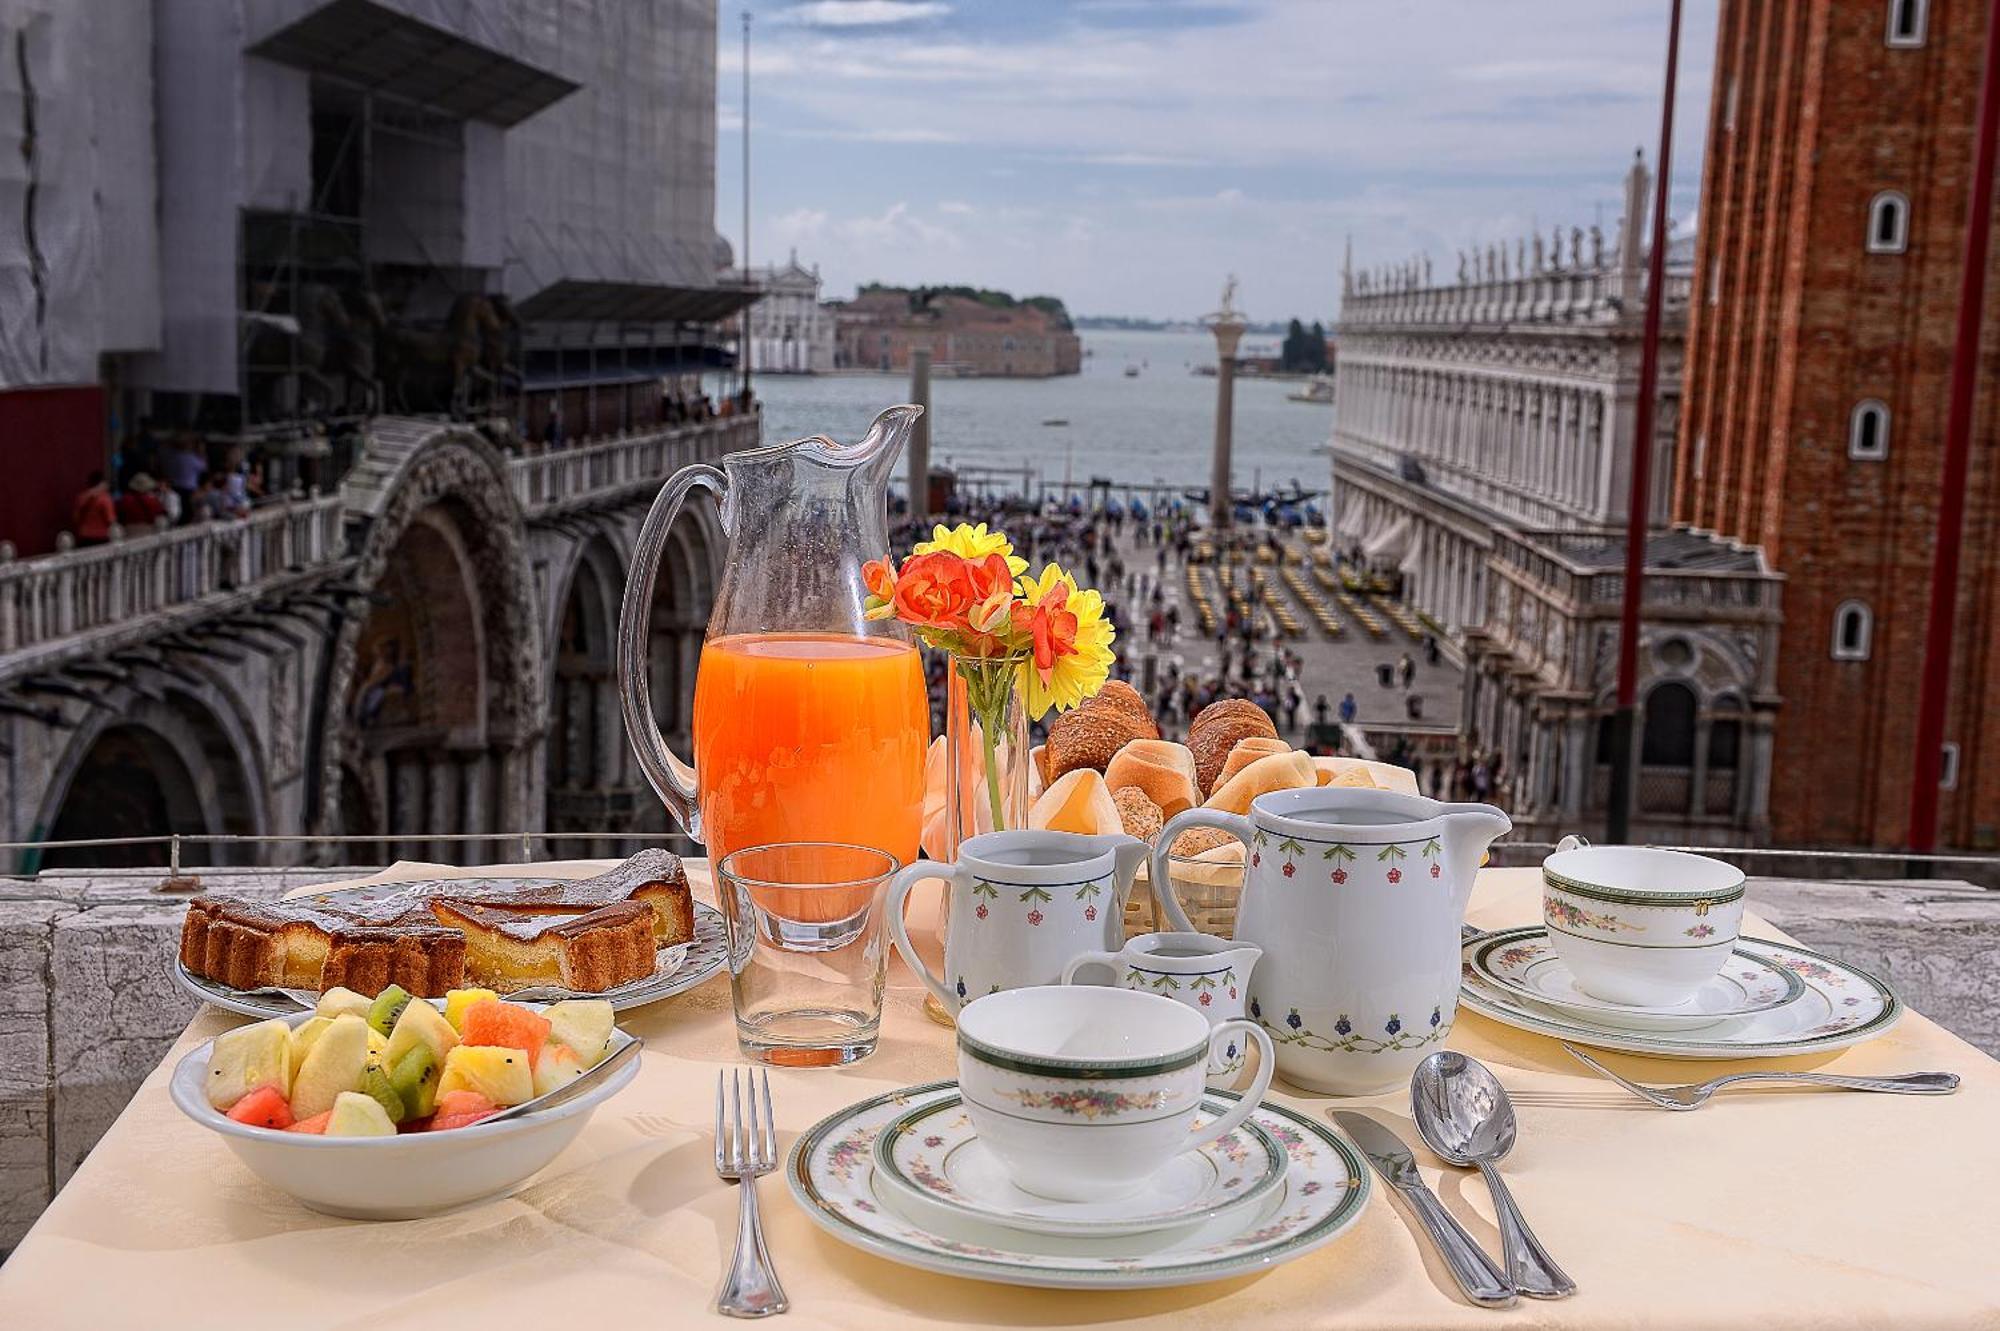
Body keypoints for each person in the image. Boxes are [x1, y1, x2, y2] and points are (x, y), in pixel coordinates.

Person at [71, 471, 116, 545]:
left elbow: (76, 517)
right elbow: (110, 519)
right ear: (102, 483)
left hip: (84, 535)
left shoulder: (81, 497)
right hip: (101, 535)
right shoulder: (104, 498)